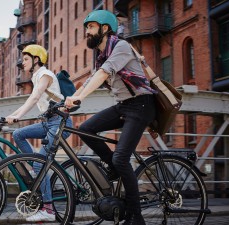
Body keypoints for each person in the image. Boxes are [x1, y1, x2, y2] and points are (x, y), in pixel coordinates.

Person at [65, 10, 156, 225]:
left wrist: (79, 99)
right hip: (124, 106)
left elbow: (104, 74)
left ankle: (136, 217)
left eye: (91, 27)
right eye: (86, 28)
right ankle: (114, 167)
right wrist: (72, 99)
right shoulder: (100, 55)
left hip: (142, 105)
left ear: (105, 29)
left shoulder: (121, 47)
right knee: (85, 128)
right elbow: (91, 80)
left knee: (121, 157)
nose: (87, 31)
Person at [6, 44, 73, 222]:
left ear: (37, 60)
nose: (23, 62)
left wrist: (18, 116)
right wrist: (12, 116)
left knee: (39, 165)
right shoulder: (37, 77)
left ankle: (49, 210)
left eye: (26, 59)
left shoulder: (45, 75)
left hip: (59, 124)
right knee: (18, 134)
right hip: (48, 123)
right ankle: (37, 168)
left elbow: (34, 98)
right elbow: (31, 99)